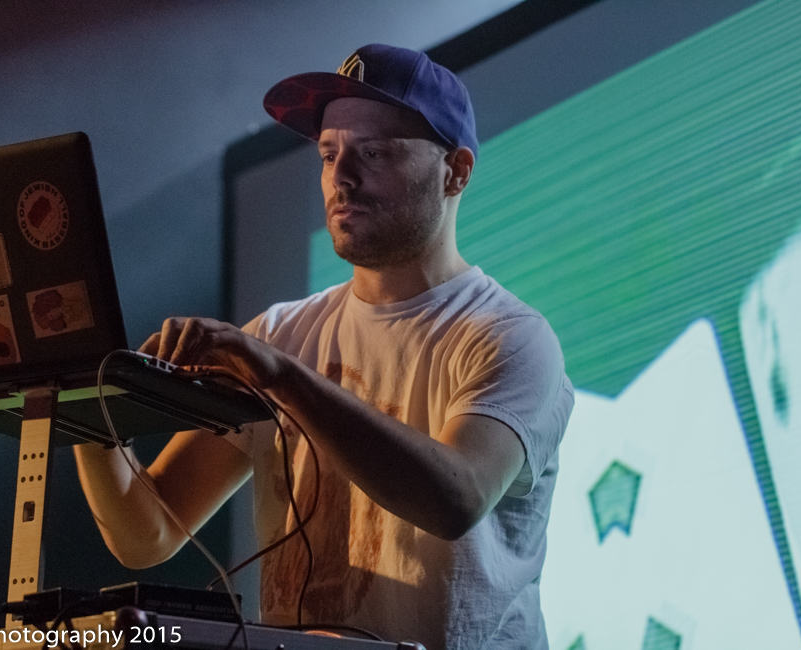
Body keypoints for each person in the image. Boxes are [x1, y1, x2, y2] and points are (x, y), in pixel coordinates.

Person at [74, 44, 574, 650]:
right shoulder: (278, 334)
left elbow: (455, 497)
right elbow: (147, 532)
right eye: (329, 154)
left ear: (456, 171)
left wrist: (281, 377)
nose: (342, 177)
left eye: (375, 152)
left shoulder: (508, 335)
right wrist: (81, 387)